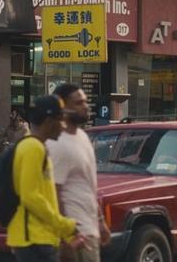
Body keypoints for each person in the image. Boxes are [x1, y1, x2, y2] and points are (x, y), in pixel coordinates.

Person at [7, 95, 87, 262]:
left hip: (39, 238)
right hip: (35, 240)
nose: (64, 125)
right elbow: (31, 196)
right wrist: (65, 225)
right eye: (61, 120)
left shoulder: (36, 147)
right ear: (50, 121)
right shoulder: (33, 149)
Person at [47, 84, 111, 262]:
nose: (85, 106)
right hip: (75, 234)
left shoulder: (82, 137)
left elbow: (89, 186)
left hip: (90, 229)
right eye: (79, 102)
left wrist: (100, 220)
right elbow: (54, 193)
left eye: (85, 101)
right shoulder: (57, 143)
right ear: (63, 107)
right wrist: (64, 238)